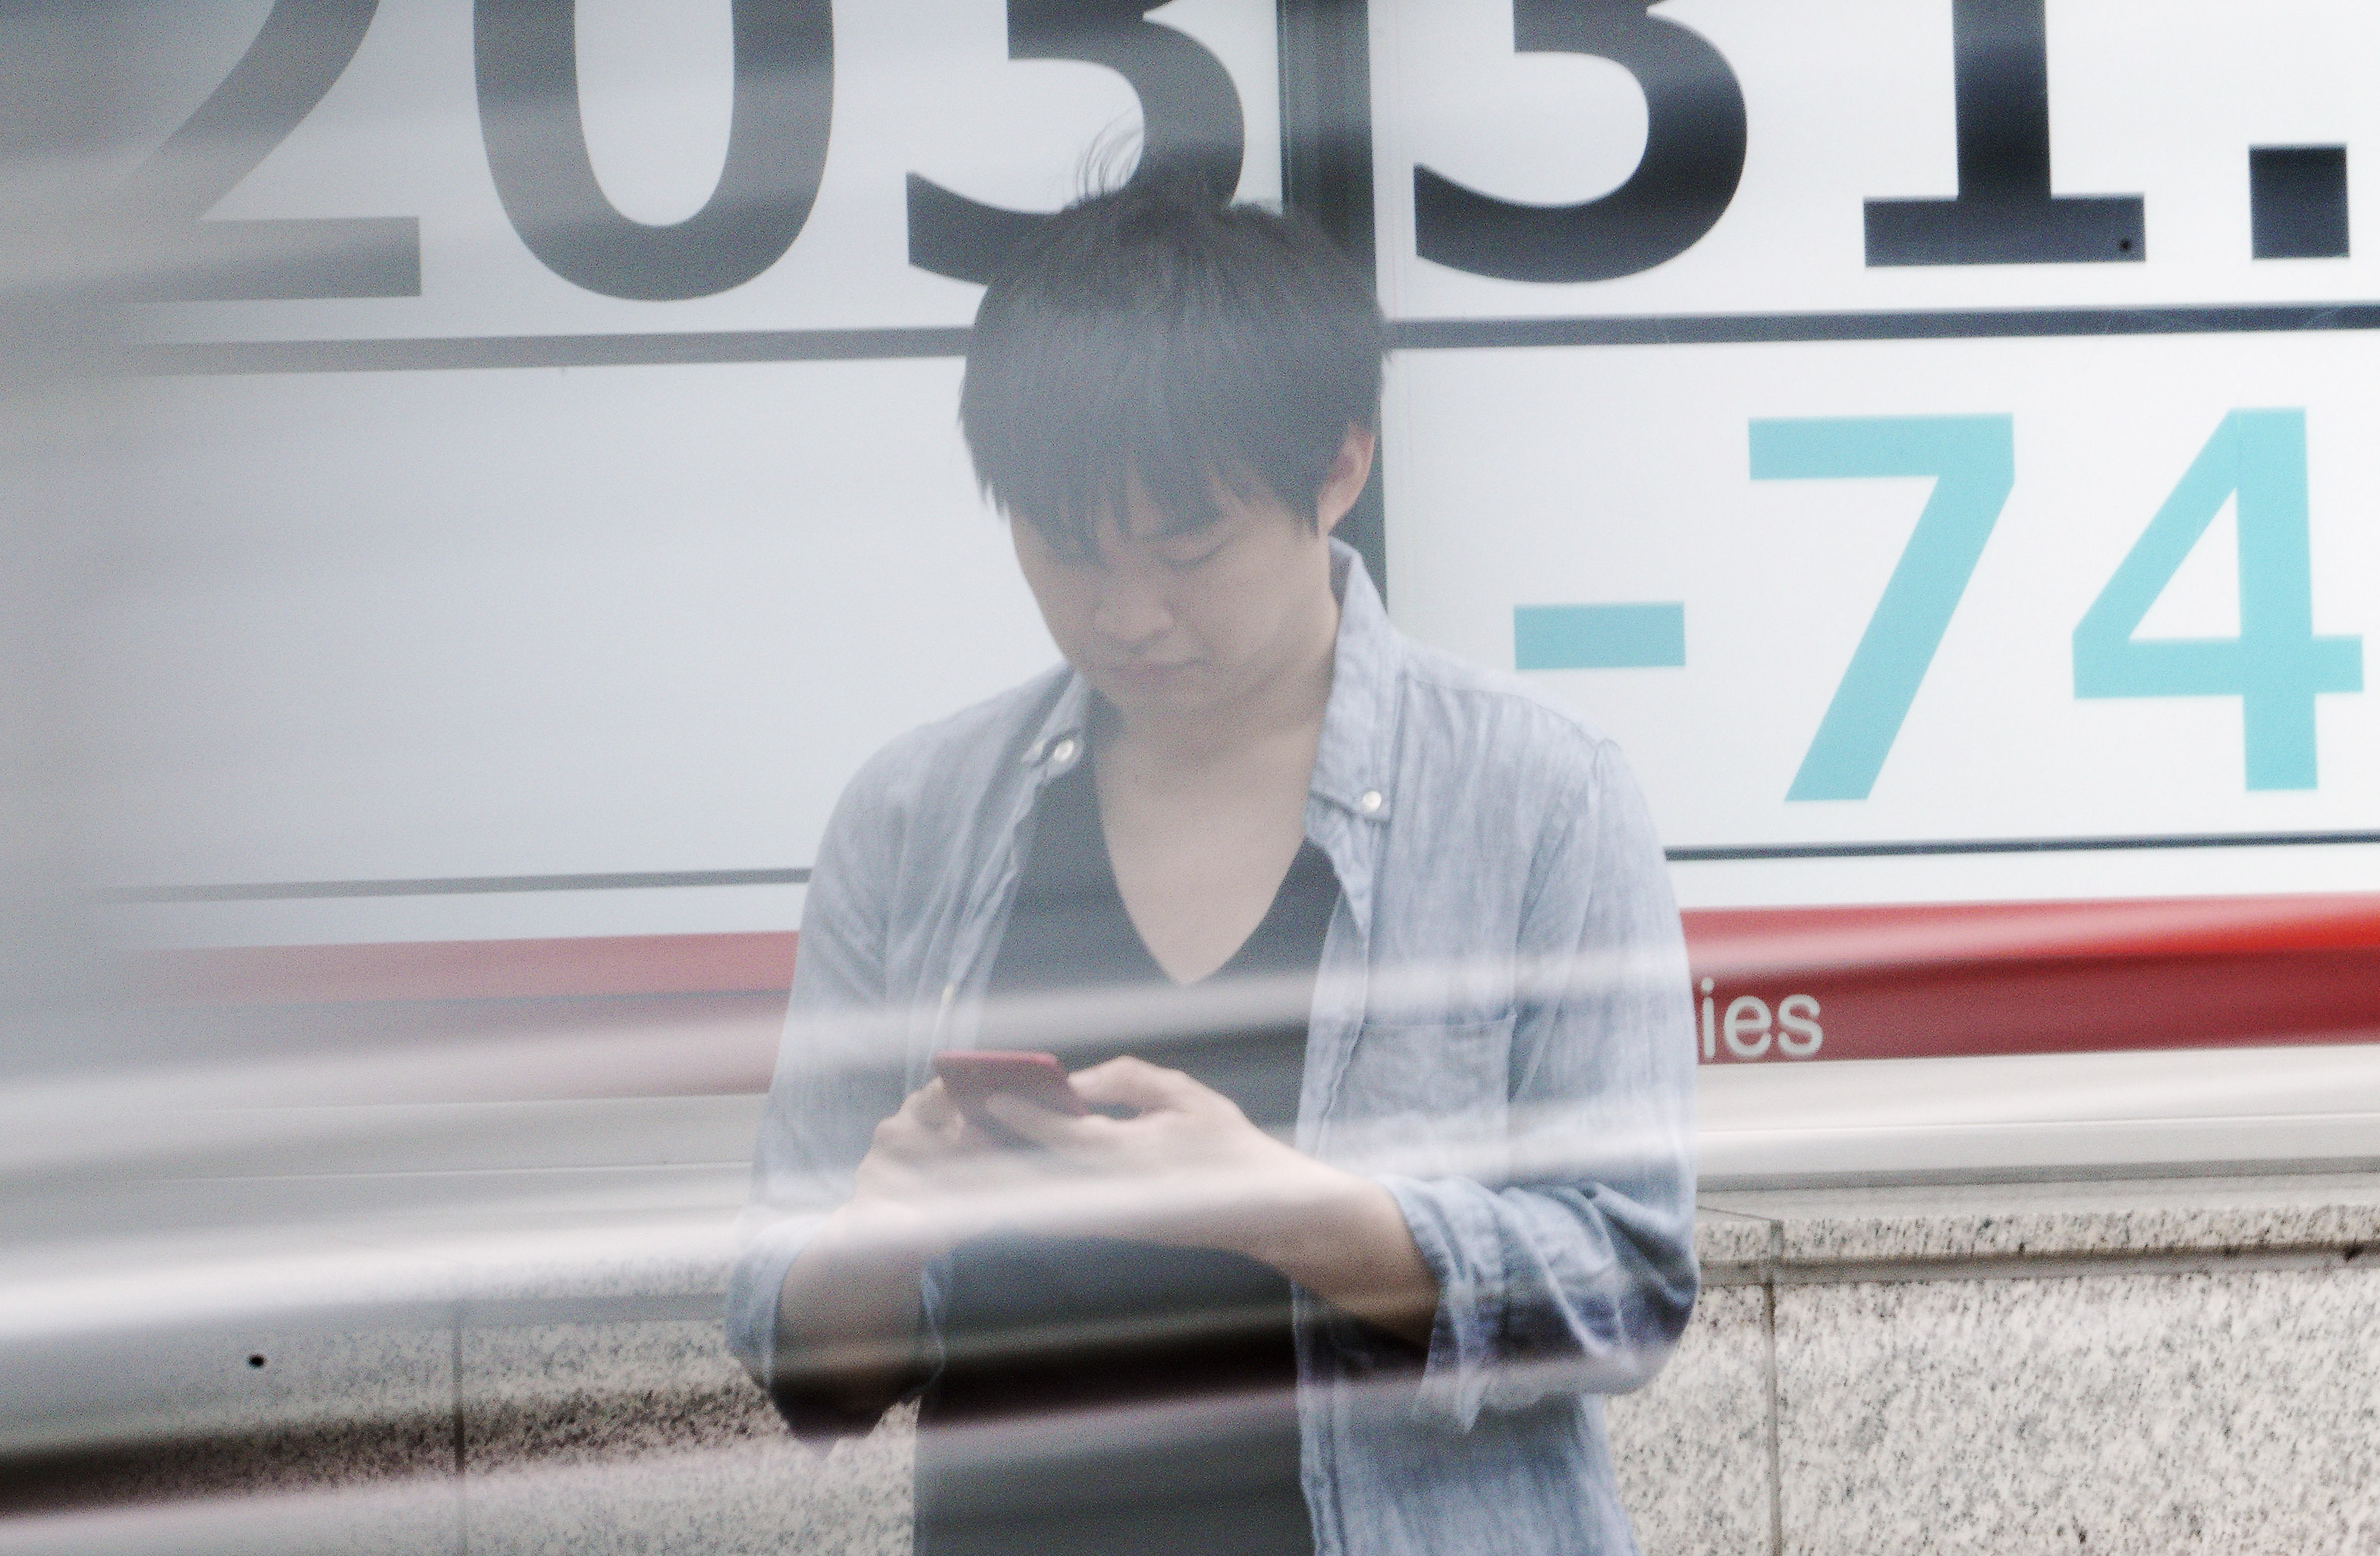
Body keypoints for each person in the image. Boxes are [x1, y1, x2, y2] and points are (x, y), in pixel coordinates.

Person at [725, 175, 1697, 1555]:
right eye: (1069, 548)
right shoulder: (912, 816)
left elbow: (1631, 1282)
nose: (1127, 611)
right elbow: (797, 1354)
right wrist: (875, 1244)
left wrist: (1284, 1211)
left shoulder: (1539, 792)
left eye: (1188, 545)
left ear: (1340, 467)